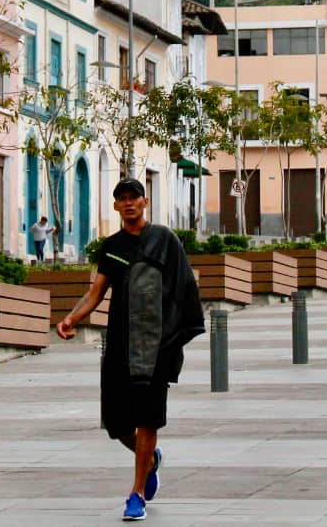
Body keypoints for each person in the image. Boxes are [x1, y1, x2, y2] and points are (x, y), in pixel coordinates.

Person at [57, 177, 203, 522]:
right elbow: (97, 292)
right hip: (121, 343)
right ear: (116, 206)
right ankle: (150, 459)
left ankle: (136, 493)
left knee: (148, 419)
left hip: (156, 345)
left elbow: (184, 286)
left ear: (144, 201)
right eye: (121, 199)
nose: (128, 203)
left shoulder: (165, 239)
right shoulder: (111, 247)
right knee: (117, 423)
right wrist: (72, 318)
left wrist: (175, 334)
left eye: (133, 197)